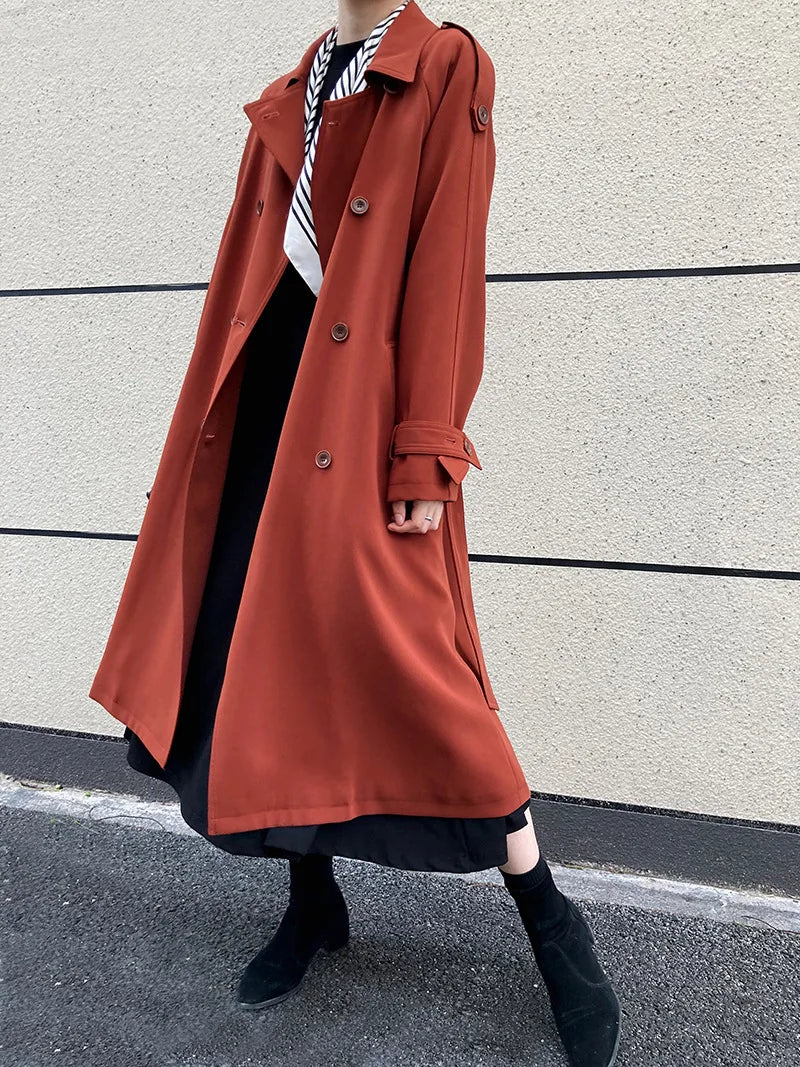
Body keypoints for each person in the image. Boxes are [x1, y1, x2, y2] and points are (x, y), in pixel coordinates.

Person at [91, 2, 620, 1064]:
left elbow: (447, 264)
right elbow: (242, 278)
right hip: (262, 415)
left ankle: (552, 921)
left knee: (427, 674)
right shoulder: (295, 88)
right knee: (260, 658)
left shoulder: (444, 64)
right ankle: (312, 900)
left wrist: (426, 444)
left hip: (357, 423)